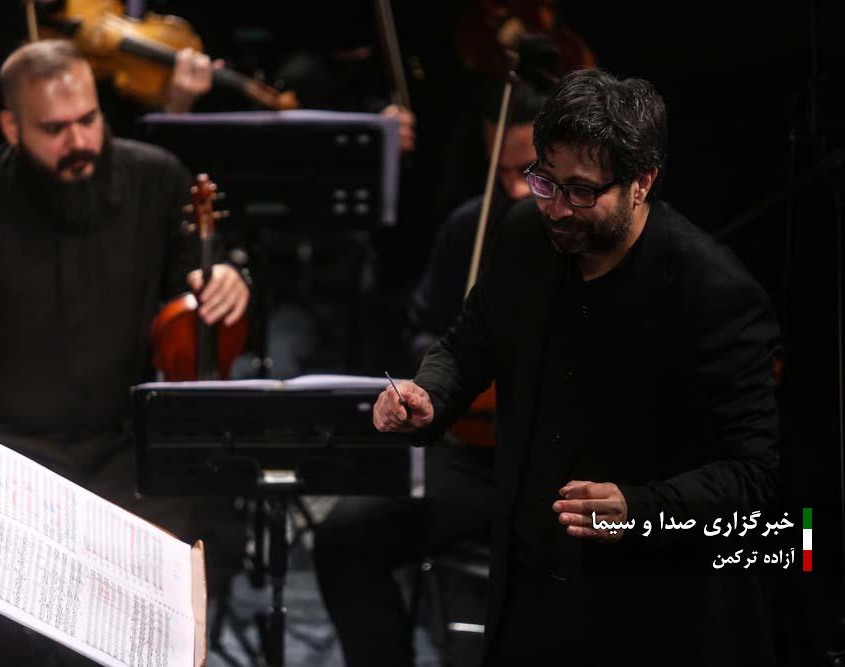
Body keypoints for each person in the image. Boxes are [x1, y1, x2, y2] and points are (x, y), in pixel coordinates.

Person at [373, 68, 781, 666]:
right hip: (529, 589)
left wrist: (641, 507)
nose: (558, 208)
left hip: (650, 611)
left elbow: (755, 477)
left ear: (642, 182)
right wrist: (429, 395)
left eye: (582, 191)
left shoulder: (713, 291)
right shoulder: (524, 234)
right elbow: (467, 345)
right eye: (545, 181)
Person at [0, 40, 249, 667]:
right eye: (54, 129)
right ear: (12, 127)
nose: (78, 141)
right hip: (4, 455)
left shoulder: (157, 177)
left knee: (191, 555)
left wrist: (227, 281)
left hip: (124, 448)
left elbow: (197, 284)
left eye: (88, 120)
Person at [311, 79, 549, 667]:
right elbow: (423, 332)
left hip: (555, 467)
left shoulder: (583, 236)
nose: (515, 189)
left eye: (532, 173)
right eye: (502, 171)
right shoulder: (471, 226)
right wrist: (438, 377)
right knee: (343, 537)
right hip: (471, 451)